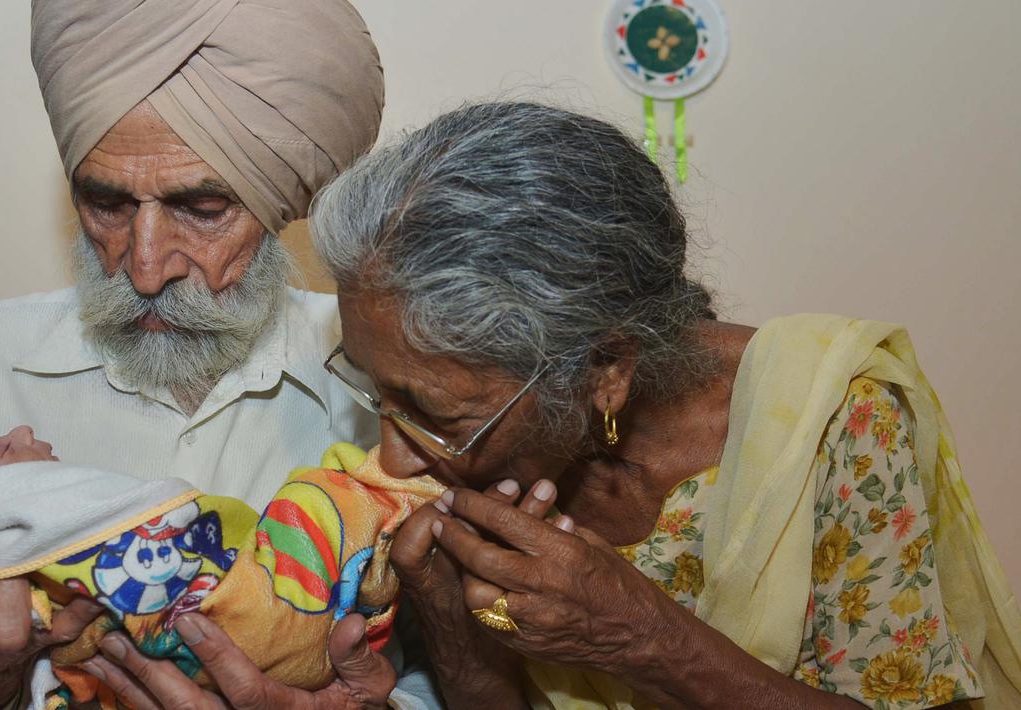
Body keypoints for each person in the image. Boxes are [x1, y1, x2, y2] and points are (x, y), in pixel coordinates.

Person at [303, 101, 1021, 708]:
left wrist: (645, 639)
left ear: (605, 368)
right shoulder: (455, 439)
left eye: (439, 416)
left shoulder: (829, 420)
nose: (392, 454)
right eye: (376, 391)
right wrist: (459, 635)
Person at [0, 1, 406, 708]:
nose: (143, 267)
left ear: (274, 206)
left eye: (202, 209)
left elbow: (436, 672)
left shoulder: (382, 367)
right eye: (107, 204)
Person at [0, 424, 442, 708]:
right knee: (323, 493)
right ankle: (389, 493)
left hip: (327, 656)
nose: (149, 260)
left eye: (201, 217)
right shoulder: (0, 520)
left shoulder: (363, 337)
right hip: (270, 604)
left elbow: (454, 670)